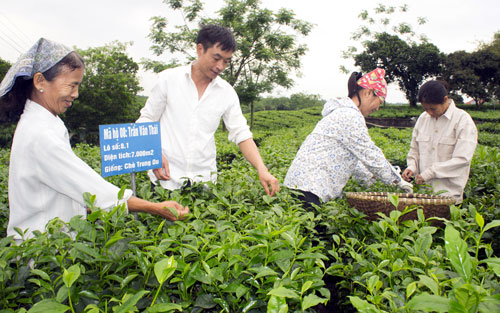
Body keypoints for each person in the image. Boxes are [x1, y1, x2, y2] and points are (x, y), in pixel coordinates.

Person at [0, 38, 189, 241]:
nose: (76, 94)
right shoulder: (39, 134)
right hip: (38, 251)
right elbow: (93, 191)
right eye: (72, 85)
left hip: (50, 242)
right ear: (40, 82)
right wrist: (154, 207)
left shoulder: (46, 123)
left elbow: (67, 190)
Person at [136, 25, 279, 196]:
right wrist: (154, 154)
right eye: (216, 58)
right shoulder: (168, 79)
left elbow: (241, 133)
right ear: (200, 49)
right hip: (165, 180)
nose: (220, 66)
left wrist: (261, 168)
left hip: (204, 184)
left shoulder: (226, 92)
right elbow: (146, 120)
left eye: (226, 61)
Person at [284, 68, 413, 207]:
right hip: (311, 188)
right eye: (379, 102)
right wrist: (397, 181)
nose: (377, 108)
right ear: (369, 93)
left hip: (303, 186)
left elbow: (354, 160)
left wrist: (370, 179)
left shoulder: (342, 112)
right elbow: (370, 153)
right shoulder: (350, 116)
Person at [402, 80, 477, 204]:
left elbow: (462, 159)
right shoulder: (423, 118)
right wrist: (412, 167)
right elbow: (414, 149)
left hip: (448, 196)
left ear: (445, 99)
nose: (429, 113)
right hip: (423, 194)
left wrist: (430, 173)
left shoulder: (462, 121)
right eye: (426, 109)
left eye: (433, 109)